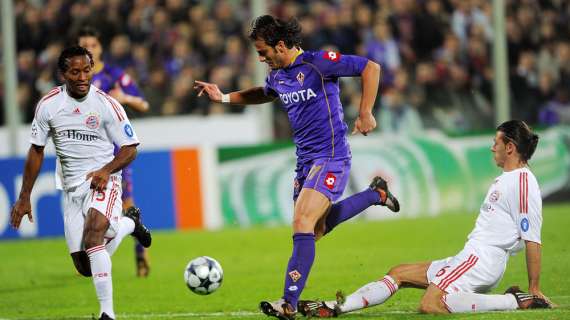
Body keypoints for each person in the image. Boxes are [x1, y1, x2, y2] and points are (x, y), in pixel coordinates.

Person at [194, 15, 400, 319]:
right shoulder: (277, 75)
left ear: (280, 45)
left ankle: (288, 303)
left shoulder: (319, 63)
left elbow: (371, 67)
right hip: (305, 161)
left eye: (263, 52)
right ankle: (375, 194)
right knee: (314, 230)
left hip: (331, 156)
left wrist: (366, 112)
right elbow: (263, 94)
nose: (260, 58)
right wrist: (223, 97)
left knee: (302, 221)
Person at [298, 120, 552, 317]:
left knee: (431, 304)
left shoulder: (522, 183)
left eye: (496, 142)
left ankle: (514, 301)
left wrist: (535, 287)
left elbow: (532, 239)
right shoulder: (509, 179)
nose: (491, 147)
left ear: (510, 147)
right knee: (398, 273)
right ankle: (338, 308)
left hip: (482, 260)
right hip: (471, 256)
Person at [10, 46, 152, 320]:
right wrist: (25, 196)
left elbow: (130, 148)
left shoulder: (107, 104)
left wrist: (106, 169)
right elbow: (36, 150)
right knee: (85, 266)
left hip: (105, 181)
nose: (83, 77)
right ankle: (130, 224)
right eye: (75, 71)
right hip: (71, 189)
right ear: (63, 74)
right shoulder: (49, 105)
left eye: (87, 70)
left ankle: (107, 313)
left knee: (94, 234)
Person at [78, 27, 152, 277]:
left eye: (93, 45)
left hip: (115, 154)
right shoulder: (75, 80)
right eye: (83, 45)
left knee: (125, 203)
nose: (88, 49)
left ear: (100, 49)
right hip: (85, 153)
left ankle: (141, 254)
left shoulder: (114, 75)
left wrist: (126, 99)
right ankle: (86, 256)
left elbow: (144, 104)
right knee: (83, 205)